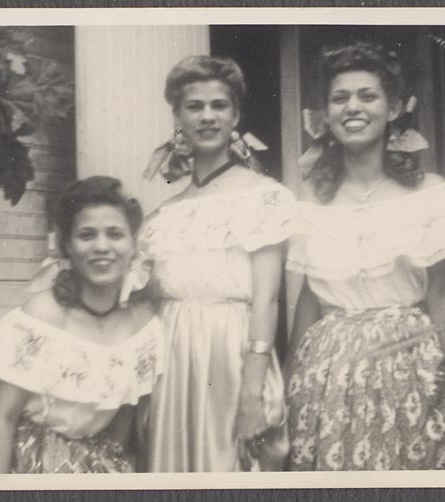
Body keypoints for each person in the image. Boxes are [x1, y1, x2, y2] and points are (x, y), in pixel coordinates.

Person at [285, 42, 445, 470]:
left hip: (409, 363)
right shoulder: (310, 205)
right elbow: (309, 300)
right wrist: (288, 387)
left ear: (394, 108)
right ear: (324, 115)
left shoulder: (433, 196)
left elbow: (441, 297)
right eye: (340, 98)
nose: (352, 108)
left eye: (367, 95)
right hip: (328, 374)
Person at [138, 55, 294, 472]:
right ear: (177, 117)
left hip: (235, 360)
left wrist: (251, 391)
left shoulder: (264, 197)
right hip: (173, 370)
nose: (207, 116)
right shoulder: (161, 216)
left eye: (219, 105)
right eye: (194, 106)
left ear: (235, 114)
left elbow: (267, 299)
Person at [0, 177, 162, 473]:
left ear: (134, 246)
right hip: (27, 460)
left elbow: (124, 419)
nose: (102, 247)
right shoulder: (43, 315)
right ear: (66, 247)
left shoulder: (142, 327)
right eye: (86, 235)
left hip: (93, 461)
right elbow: (3, 418)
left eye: (116, 234)